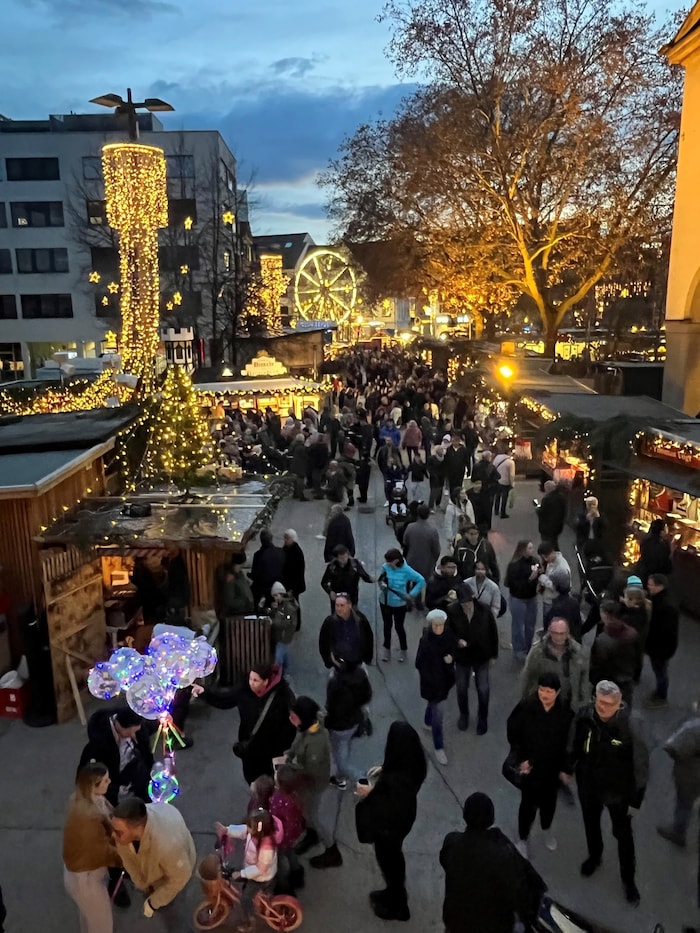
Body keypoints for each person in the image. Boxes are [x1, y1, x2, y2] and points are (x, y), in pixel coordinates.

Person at [568, 680, 648, 905]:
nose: (602, 708)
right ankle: (595, 856)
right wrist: (569, 765)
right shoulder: (585, 716)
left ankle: (628, 880)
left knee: (623, 836)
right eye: (599, 702)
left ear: (619, 703)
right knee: (591, 825)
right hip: (589, 787)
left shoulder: (631, 725)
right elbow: (574, 742)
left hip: (618, 793)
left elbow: (641, 768)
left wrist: (635, 802)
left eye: (609, 704)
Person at [440, 792, 546, 933]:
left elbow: (446, 860)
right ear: (491, 818)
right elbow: (523, 893)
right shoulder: (503, 855)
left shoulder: (451, 842)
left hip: (455, 922)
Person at [355, 722, 427, 922]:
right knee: (393, 860)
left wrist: (371, 793)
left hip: (390, 829)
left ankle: (398, 905)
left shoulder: (398, 782)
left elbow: (387, 807)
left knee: (390, 862)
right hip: (402, 823)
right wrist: (385, 769)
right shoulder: (415, 763)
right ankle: (393, 893)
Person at [506, 673, 574, 857]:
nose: (544, 694)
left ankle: (546, 829)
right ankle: (522, 838)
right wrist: (521, 759)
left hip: (552, 769)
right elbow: (513, 732)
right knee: (527, 805)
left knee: (549, 804)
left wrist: (566, 769)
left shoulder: (564, 714)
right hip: (530, 768)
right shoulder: (527, 708)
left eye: (549, 691)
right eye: (542, 690)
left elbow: (568, 744)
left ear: (557, 692)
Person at [111, 797, 196, 920]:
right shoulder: (126, 833)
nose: (113, 835)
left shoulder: (167, 846)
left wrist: (153, 903)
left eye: (118, 832)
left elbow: (179, 878)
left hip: (174, 873)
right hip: (153, 877)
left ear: (138, 828)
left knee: (173, 913)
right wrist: (141, 884)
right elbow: (129, 859)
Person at [284, 696, 341, 870]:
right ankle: (311, 834)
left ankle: (331, 849)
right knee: (306, 812)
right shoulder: (306, 728)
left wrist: (290, 771)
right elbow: (297, 742)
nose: (290, 719)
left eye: (294, 716)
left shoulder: (316, 742)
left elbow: (310, 771)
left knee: (313, 816)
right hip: (304, 781)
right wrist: (289, 754)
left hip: (313, 784)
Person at [63, 762, 121, 933]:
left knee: (89, 919)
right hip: (86, 880)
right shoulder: (88, 819)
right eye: (105, 780)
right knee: (101, 925)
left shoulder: (85, 799)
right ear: (92, 785)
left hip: (82, 874)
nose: (109, 782)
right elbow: (101, 850)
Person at [213, 808, 284, 932]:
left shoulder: (266, 848)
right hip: (253, 869)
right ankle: (261, 896)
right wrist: (227, 830)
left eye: (250, 827)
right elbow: (243, 830)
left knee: (245, 898)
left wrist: (242, 873)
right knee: (243, 880)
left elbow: (260, 869)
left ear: (258, 829)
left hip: (261, 876)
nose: (247, 829)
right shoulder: (256, 832)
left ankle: (249, 920)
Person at [231, 662, 297, 784]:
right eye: (250, 678)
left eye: (255, 680)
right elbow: (226, 699)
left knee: (267, 783)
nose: (251, 682)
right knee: (253, 780)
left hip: (270, 752)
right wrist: (204, 693)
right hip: (252, 750)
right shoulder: (245, 691)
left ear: (266, 681)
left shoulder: (283, 697)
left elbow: (291, 727)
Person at [446, 584, 499, 734]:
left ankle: (483, 717)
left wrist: (494, 654)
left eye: (468, 602)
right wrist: (457, 641)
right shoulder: (452, 611)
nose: (466, 606)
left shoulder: (484, 610)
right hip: (462, 657)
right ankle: (464, 715)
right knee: (461, 687)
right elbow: (448, 632)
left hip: (481, 655)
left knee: (483, 689)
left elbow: (492, 632)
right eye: (463, 603)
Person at [78, 706, 154, 808]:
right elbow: (88, 774)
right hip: (111, 778)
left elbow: (149, 729)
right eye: (131, 732)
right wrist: (114, 788)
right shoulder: (98, 744)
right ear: (119, 725)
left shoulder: (136, 727)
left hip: (134, 769)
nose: (134, 736)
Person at [415, 609, 458, 765]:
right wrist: (429, 677)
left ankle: (427, 721)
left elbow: (454, 649)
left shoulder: (448, 635)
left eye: (441, 625)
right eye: (435, 625)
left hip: (445, 680)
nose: (438, 628)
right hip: (432, 684)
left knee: (433, 706)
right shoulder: (426, 641)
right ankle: (438, 747)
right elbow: (418, 662)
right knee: (438, 716)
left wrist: (451, 657)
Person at [521, 618, 590, 713]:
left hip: (568, 703)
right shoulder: (538, 652)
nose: (558, 637)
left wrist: (584, 701)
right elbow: (528, 675)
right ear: (549, 632)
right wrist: (524, 700)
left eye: (562, 633)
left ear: (568, 633)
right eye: (555, 633)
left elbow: (584, 676)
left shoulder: (577, 652)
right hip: (544, 702)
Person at [657, 705, 700, 848]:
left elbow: (673, 748)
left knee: (684, 803)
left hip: (691, 773)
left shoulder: (693, 728)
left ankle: (678, 833)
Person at [326, 657, 372, 788]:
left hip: (339, 725)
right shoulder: (360, 674)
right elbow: (367, 696)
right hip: (354, 719)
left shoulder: (335, 682)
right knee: (343, 748)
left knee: (341, 758)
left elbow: (331, 706)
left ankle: (362, 778)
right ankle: (340, 777)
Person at [589, 600, 640, 708]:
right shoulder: (632, 632)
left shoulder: (603, 640)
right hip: (626, 676)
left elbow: (597, 665)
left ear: (607, 615)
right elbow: (637, 655)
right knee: (623, 706)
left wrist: (594, 681)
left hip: (609, 679)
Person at [377, 548, 425, 663]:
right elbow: (381, 579)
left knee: (399, 627)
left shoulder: (406, 570)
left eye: (390, 562)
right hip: (385, 602)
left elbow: (421, 580)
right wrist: (382, 585)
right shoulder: (385, 567)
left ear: (397, 560)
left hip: (399, 603)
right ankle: (386, 649)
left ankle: (403, 649)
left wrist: (411, 595)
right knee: (387, 626)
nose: (388, 564)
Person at [644, 573, 679, 707]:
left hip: (661, 648)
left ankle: (661, 696)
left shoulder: (666, 607)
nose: (648, 587)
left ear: (660, 586)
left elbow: (663, 631)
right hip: (662, 646)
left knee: (660, 671)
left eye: (651, 585)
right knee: (660, 669)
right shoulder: (663, 599)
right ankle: (660, 691)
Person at [505, 540, 541, 661]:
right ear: (523, 549)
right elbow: (513, 585)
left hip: (531, 597)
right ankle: (518, 649)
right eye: (529, 548)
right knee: (518, 625)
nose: (532, 550)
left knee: (530, 624)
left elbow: (540, 574)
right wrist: (530, 579)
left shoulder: (535, 561)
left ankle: (528, 646)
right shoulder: (514, 565)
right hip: (518, 598)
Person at [319, 593, 374, 671]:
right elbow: (323, 643)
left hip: (358, 663)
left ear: (349, 605)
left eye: (342, 605)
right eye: (337, 605)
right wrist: (329, 661)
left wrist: (367, 659)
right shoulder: (330, 622)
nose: (339, 608)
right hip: (339, 665)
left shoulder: (360, 619)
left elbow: (369, 638)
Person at [402, 503, 440, 607]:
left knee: (407, 581)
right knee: (419, 582)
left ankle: (407, 602)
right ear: (428, 515)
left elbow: (405, 543)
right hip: (425, 562)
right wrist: (433, 561)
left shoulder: (410, 527)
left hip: (410, 560)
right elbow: (436, 550)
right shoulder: (432, 531)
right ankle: (418, 602)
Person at [320, 544, 373, 610]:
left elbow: (365, 576)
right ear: (337, 558)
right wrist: (330, 591)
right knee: (337, 617)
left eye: (345, 557)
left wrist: (375, 579)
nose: (344, 560)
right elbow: (324, 582)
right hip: (337, 598)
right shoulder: (332, 567)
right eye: (341, 558)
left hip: (352, 597)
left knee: (353, 616)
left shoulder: (355, 564)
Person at [267, 582, 299, 677]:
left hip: (284, 636)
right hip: (281, 635)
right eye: (274, 596)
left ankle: (278, 676)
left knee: (278, 658)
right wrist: (272, 610)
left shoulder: (288, 607)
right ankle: (285, 672)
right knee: (284, 654)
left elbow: (287, 622)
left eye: (278, 595)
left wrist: (273, 622)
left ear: (282, 594)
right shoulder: (280, 606)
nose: (276, 598)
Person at [250, 528, 286, 607]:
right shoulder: (280, 552)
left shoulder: (258, 555)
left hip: (263, 590)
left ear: (261, 540)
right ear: (271, 538)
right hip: (279, 588)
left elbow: (256, 574)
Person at [469, 450, 499, 533]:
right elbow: (497, 477)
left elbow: (473, 478)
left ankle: (478, 524)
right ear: (488, 457)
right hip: (487, 492)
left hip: (478, 491)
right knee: (488, 509)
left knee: (478, 508)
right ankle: (488, 526)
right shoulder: (491, 467)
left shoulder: (476, 466)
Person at [282, 529, 306, 630]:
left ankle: (296, 624)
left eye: (287, 538)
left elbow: (299, 572)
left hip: (294, 584)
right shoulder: (287, 549)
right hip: (287, 582)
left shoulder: (297, 553)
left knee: (294, 604)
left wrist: (294, 588)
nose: (285, 540)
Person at [637, 517, 672, 584]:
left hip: (644, 574)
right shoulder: (662, 546)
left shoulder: (646, 541)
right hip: (655, 577)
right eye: (665, 529)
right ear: (661, 532)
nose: (667, 532)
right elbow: (666, 566)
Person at [537, 542, 571, 611]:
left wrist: (542, 578)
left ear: (552, 552)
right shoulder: (552, 561)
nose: (546, 560)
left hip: (554, 602)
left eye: (546, 557)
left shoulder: (561, 569)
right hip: (548, 599)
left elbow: (560, 588)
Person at [537, 481, 567, 551]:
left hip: (546, 527)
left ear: (547, 488)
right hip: (558, 526)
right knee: (554, 542)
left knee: (547, 545)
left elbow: (542, 513)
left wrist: (537, 510)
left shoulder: (546, 499)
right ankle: (557, 557)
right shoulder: (561, 497)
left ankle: (549, 559)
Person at [492, 448, 515, 519]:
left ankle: (496, 510)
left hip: (497, 480)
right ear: (509, 453)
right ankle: (502, 513)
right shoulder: (510, 462)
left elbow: (493, 467)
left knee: (497, 496)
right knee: (504, 498)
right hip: (505, 482)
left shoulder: (497, 458)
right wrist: (512, 483)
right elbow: (511, 475)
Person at [427, 445, 447, 511]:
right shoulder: (431, 458)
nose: (442, 451)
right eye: (440, 450)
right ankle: (430, 506)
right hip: (434, 478)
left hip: (441, 477)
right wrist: (433, 475)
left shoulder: (444, 459)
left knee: (440, 491)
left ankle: (438, 503)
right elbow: (429, 468)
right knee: (433, 492)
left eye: (442, 450)